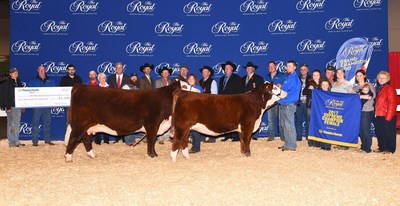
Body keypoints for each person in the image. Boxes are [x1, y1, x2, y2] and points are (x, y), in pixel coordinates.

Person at [28, 65, 56, 146]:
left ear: (45, 70)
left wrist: (54, 102)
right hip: (37, 105)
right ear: (37, 70)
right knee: (35, 122)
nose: (41, 71)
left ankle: (47, 140)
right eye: (40, 70)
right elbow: (29, 92)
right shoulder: (32, 81)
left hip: (47, 105)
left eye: (43, 69)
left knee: (47, 122)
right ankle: (35, 140)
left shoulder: (51, 80)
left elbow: (54, 92)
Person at [278, 60, 301, 151]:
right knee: (284, 125)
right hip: (285, 103)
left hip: (289, 104)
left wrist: (279, 90)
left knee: (289, 125)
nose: (288, 68)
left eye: (290, 66)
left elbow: (286, 92)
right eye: (287, 66)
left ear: (295, 67)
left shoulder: (293, 78)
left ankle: (291, 145)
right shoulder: (288, 77)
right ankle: (288, 143)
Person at [219, 60, 243, 142]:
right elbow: (220, 91)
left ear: (232, 69)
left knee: (235, 119)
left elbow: (240, 91)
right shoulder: (222, 78)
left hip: (234, 102)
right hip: (224, 102)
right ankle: (227, 135)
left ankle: (236, 136)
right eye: (225, 68)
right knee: (225, 119)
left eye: (228, 68)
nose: (227, 69)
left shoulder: (237, 78)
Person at [0, 68, 25, 147]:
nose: (15, 74)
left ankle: (16, 140)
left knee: (17, 124)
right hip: (10, 106)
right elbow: (5, 96)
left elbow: (22, 95)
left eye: (16, 72)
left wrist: (22, 105)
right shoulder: (7, 84)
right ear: (10, 74)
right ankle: (11, 142)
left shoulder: (19, 83)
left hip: (18, 106)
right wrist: (7, 107)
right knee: (11, 124)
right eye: (14, 73)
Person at [330, 67, 354, 150]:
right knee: (337, 124)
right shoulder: (334, 84)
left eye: (341, 72)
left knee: (344, 125)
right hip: (335, 107)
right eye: (338, 73)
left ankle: (345, 143)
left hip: (344, 107)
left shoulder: (347, 84)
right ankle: (338, 141)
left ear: (344, 74)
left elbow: (351, 93)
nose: (339, 74)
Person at [374, 71, 397, 154]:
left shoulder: (390, 89)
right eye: (380, 78)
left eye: (384, 78)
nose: (381, 79)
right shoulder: (377, 88)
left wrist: (388, 118)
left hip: (387, 115)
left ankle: (390, 149)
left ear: (387, 79)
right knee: (380, 133)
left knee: (389, 133)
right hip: (378, 115)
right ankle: (382, 148)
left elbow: (392, 104)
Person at [353, 69, 375, 153]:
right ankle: (363, 146)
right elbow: (352, 97)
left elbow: (372, 96)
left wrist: (359, 96)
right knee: (360, 129)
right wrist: (362, 96)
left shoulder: (369, 84)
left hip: (367, 110)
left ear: (364, 76)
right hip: (358, 110)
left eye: (360, 75)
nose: (358, 77)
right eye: (357, 76)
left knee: (365, 129)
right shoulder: (355, 87)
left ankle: (368, 148)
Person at [108, 62, 130, 143]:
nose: (119, 69)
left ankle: (124, 137)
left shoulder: (127, 78)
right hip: (114, 103)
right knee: (115, 120)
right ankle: (117, 138)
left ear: (123, 69)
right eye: (117, 67)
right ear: (115, 69)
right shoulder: (110, 78)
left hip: (124, 102)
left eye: (120, 67)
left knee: (125, 120)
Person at [242, 61, 264, 140]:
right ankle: (247, 133)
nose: (248, 70)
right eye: (247, 68)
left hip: (254, 102)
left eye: (250, 68)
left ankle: (255, 134)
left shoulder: (258, 78)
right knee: (246, 118)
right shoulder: (243, 78)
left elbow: (261, 90)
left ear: (253, 69)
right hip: (245, 102)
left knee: (255, 118)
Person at [264, 61, 285, 141]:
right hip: (270, 101)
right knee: (270, 119)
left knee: (281, 120)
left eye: (272, 66)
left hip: (280, 100)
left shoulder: (282, 76)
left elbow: (286, 86)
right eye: (269, 66)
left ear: (276, 67)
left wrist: (282, 86)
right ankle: (271, 136)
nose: (271, 68)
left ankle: (282, 136)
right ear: (268, 68)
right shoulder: (266, 77)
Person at [302, 69, 322, 147]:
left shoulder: (323, 84)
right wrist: (308, 88)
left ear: (320, 76)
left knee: (319, 123)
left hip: (320, 107)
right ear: (312, 76)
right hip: (310, 105)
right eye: (314, 75)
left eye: (317, 75)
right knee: (310, 123)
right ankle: (310, 140)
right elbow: (304, 92)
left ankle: (319, 139)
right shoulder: (309, 83)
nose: (316, 76)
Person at [186, 74, 205, 154]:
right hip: (188, 111)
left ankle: (196, 148)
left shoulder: (198, 88)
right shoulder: (186, 88)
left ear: (195, 80)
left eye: (192, 78)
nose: (190, 80)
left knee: (195, 129)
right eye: (189, 79)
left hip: (196, 111)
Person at [199, 65, 218, 143]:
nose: (204, 73)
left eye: (205, 71)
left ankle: (212, 138)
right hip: (201, 105)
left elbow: (214, 94)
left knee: (211, 121)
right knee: (202, 122)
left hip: (209, 104)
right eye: (203, 72)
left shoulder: (212, 82)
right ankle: (202, 137)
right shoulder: (200, 81)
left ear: (209, 73)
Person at [155, 67, 173, 144]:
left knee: (168, 120)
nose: (165, 74)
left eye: (167, 72)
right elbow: (156, 93)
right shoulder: (157, 82)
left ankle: (167, 136)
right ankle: (160, 137)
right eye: (164, 72)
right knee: (160, 120)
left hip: (169, 104)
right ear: (161, 74)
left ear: (169, 74)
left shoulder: (171, 82)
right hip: (160, 104)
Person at [122, 72, 141, 146]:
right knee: (128, 124)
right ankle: (129, 141)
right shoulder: (126, 86)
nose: (134, 78)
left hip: (136, 109)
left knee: (134, 124)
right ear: (130, 78)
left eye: (135, 77)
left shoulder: (138, 87)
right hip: (128, 108)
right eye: (133, 77)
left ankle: (132, 140)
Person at [296, 63, 311, 141]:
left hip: (308, 102)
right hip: (299, 102)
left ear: (308, 70)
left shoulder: (311, 79)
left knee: (308, 121)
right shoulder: (297, 79)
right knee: (298, 120)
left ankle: (308, 136)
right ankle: (299, 137)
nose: (303, 70)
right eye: (301, 69)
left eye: (304, 69)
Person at [318, 79, 332, 150]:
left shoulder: (331, 94)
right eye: (323, 85)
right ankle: (323, 144)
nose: (324, 86)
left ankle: (328, 145)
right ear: (321, 86)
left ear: (328, 86)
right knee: (322, 128)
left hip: (329, 112)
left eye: (326, 85)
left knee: (328, 128)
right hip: (321, 112)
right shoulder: (318, 94)